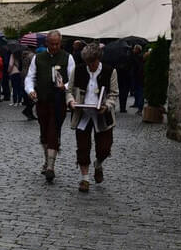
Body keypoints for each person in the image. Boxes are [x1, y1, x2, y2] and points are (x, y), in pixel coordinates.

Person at [66, 43, 119, 192]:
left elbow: (114, 93)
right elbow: (68, 91)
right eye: (88, 63)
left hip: (102, 115)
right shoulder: (78, 70)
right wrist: (71, 101)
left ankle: (98, 164)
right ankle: (85, 179)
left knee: (104, 147)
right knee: (83, 147)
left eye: (93, 63)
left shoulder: (110, 71)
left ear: (98, 59)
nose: (91, 66)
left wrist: (107, 105)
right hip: (82, 114)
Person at [25, 30, 75, 182]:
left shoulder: (68, 57)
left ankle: (51, 167)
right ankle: (47, 159)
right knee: (44, 131)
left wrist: (64, 87)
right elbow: (30, 77)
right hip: (42, 100)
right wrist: (31, 90)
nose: (55, 47)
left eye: (57, 44)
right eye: (52, 44)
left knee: (53, 130)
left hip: (59, 101)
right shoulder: (38, 58)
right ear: (46, 43)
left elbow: (73, 79)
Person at [21, 48, 37, 120]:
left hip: (24, 74)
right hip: (29, 75)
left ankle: (29, 112)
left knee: (29, 96)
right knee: (33, 96)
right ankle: (27, 111)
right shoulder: (32, 56)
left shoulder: (24, 55)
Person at [130, 45, 144, 115]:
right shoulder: (137, 56)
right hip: (137, 77)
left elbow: (137, 67)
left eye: (134, 49)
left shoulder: (138, 57)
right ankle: (137, 104)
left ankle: (140, 107)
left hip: (139, 77)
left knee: (140, 92)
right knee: (137, 91)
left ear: (138, 50)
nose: (133, 50)